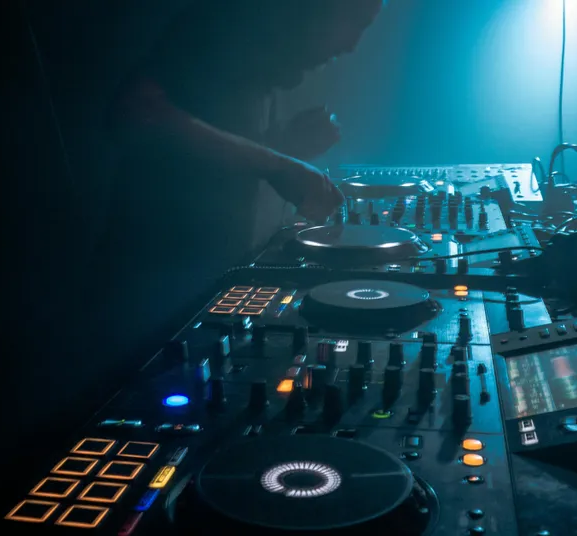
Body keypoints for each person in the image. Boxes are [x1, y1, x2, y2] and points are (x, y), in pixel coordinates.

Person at [91, 0, 385, 367]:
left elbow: (207, 164)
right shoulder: (223, 24)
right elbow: (137, 112)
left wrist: (286, 147)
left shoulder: (257, 61)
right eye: (355, 20)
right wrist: (278, 164)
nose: (352, 45)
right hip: (148, 291)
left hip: (199, 283)